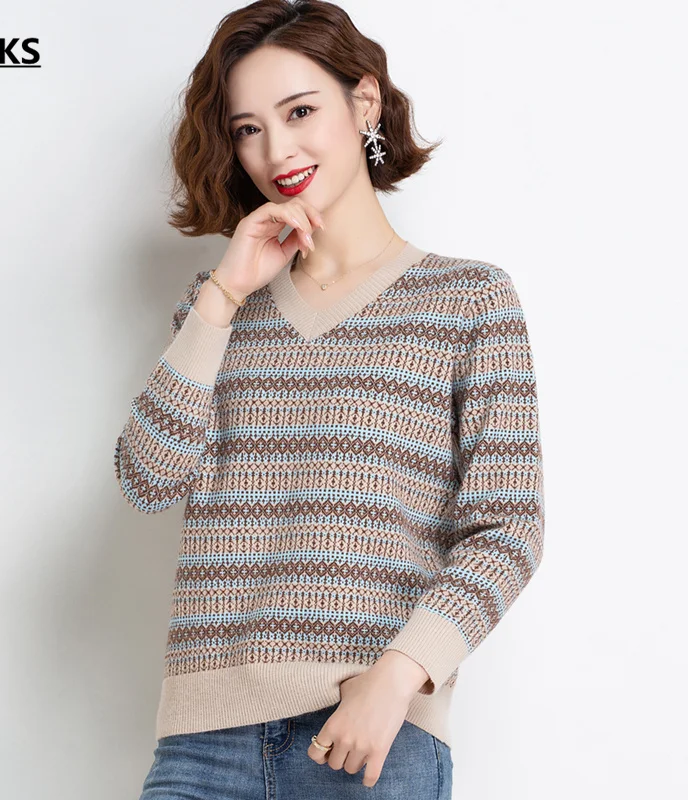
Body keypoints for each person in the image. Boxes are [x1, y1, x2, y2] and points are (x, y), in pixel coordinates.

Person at [114, 1, 545, 797]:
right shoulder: (217, 307)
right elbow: (147, 479)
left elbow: (507, 528)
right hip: (202, 750)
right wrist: (222, 296)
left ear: (365, 101)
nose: (276, 150)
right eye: (248, 128)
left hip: (371, 745)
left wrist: (400, 675)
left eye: (300, 111)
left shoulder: (468, 300)